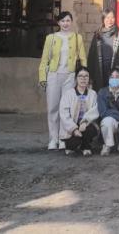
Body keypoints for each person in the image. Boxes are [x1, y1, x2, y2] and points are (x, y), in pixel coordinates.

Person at [38, 11, 87, 151]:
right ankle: (53, 139)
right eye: (63, 21)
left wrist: (84, 77)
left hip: (70, 76)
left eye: (68, 20)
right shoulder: (51, 38)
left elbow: (83, 58)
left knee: (66, 108)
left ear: (71, 22)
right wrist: (42, 77)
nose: (65, 23)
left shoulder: (77, 38)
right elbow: (44, 60)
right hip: (53, 76)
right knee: (53, 108)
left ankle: (63, 138)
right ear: (58, 23)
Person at [59, 67, 99, 156]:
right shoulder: (68, 94)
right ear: (76, 79)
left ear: (89, 79)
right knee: (73, 143)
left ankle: (85, 147)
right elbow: (64, 114)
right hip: (72, 125)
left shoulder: (93, 94)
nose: (83, 79)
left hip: (85, 124)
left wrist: (85, 122)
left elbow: (95, 110)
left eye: (86, 76)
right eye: (80, 76)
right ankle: (73, 145)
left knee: (90, 130)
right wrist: (74, 129)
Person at [88, 9, 119, 92]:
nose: (110, 20)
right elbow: (91, 55)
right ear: (103, 19)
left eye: (112, 17)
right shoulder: (97, 34)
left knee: (113, 94)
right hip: (99, 70)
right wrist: (90, 75)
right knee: (100, 93)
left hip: (114, 71)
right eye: (107, 18)